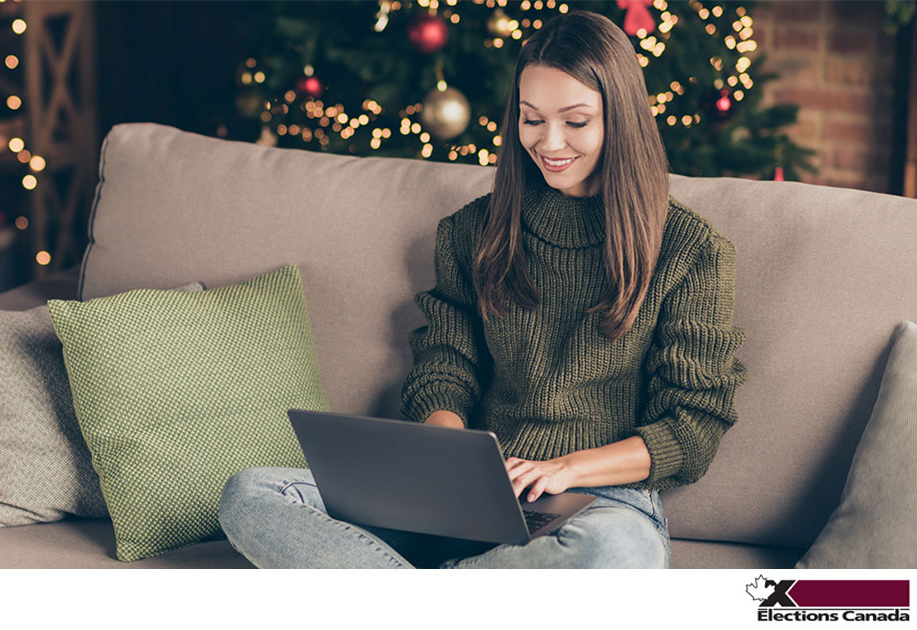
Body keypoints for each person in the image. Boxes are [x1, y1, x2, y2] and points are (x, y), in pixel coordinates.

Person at [217, 10, 747, 569]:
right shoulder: (475, 230)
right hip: (471, 494)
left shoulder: (691, 249)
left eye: (576, 121)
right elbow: (445, 369)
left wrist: (565, 468)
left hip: (599, 501)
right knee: (250, 492)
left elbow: (692, 425)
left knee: (619, 552)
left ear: (620, 119)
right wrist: (454, 459)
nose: (550, 142)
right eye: (532, 119)